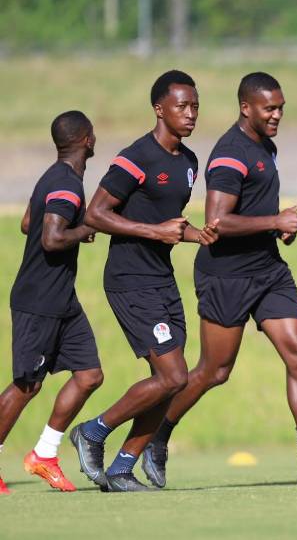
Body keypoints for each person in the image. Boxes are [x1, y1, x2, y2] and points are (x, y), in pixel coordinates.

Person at [144, 72, 297, 487]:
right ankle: (156, 439)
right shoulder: (229, 154)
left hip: (269, 271)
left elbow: (253, 211)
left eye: (280, 108)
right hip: (226, 276)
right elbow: (216, 222)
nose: (277, 115)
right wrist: (274, 219)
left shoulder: (266, 147)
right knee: (213, 371)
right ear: (246, 108)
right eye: (269, 108)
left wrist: (277, 230)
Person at [70, 70, 219, 493]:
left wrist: (198, 235)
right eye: (181, 106)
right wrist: (155, 233)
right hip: (129, 279)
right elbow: (96, 213)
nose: (190, 114)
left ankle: (121, 467)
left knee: (174, 380)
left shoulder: (189, 163)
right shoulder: (135, 156)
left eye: (195, 106)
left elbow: (169, 224)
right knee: (173, 376)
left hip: (163, 280)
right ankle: (93, 431)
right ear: (159, 109)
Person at [0, 111, 103, 494]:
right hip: (38, 300)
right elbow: (49, 238)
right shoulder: (66, 183)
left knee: (89, 374)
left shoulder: (55, 177)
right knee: (27, 385)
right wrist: (87, 228)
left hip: (62, 300)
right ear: (87, 140)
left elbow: (29, 222)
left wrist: (71, 228)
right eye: (93, 135)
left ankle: (44, 454)